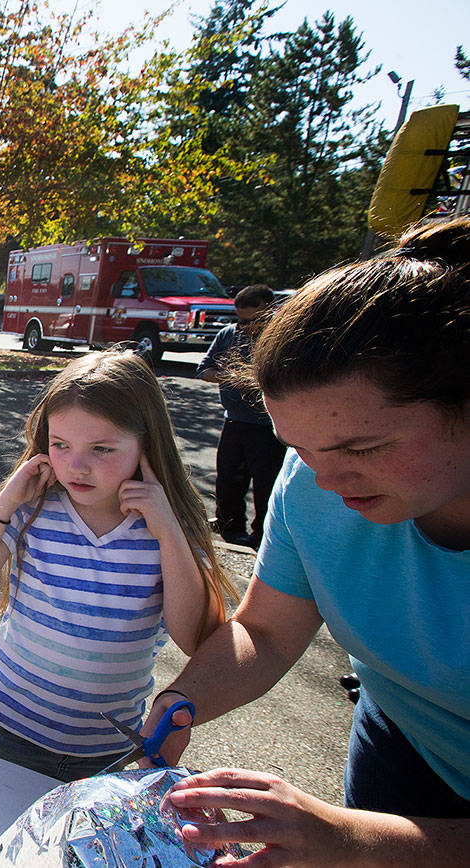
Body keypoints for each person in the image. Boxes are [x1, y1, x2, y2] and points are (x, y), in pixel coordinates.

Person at [139, 217, 470, 865]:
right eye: (298, 448)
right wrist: (180, 699)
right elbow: (264, 632)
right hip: (402, 743)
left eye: (364, 448)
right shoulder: (314, 480)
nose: (327, 481)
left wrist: (352, 839)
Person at [0, 350, 236, 781]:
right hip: (9, 723)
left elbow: (197, 638)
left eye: (101, 448)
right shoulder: (33, 508)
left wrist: (171, 535)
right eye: (60, 445)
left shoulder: (166, 528)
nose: (76, 466)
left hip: (107, 747)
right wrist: (6, 499)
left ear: (147, 446)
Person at [197, 284, 285, 548]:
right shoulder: (228, 335)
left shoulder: (280, 337)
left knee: (266, 482)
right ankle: (229, 525)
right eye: (241, 319)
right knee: (228, 476)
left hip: (268, 425)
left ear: (269, 311)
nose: (246, 326)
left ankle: (264, 534)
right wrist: (231, 376)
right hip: (235, 420)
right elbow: (204, 370)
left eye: (253, 320)